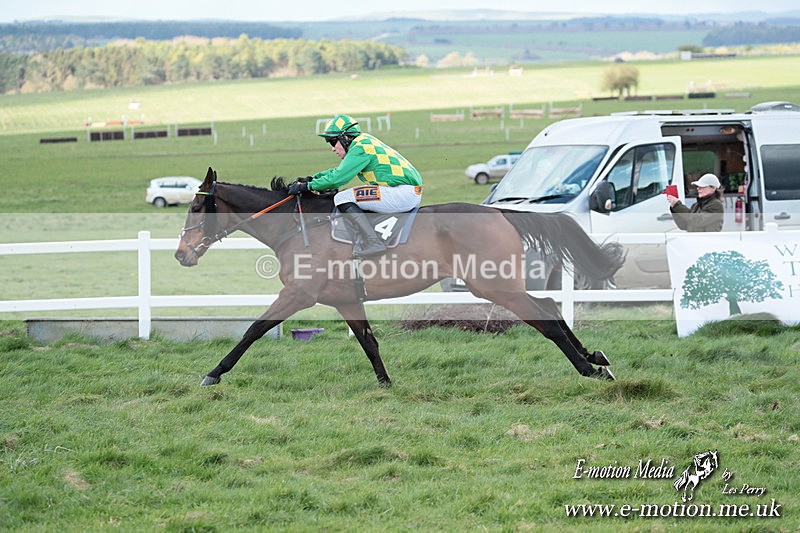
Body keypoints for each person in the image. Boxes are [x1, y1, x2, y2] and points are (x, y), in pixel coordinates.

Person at [288, 114, 424, 258]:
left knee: (342, 198)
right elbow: (338, 171)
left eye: (333, 142)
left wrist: (308, 186)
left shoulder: (360, 148)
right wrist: (312, 178)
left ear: (345, 138)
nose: (333, 148)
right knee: (351, 195)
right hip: (405, 191)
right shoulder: (363, 142)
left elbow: (337, 179)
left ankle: (373, 242)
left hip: (402, 194)